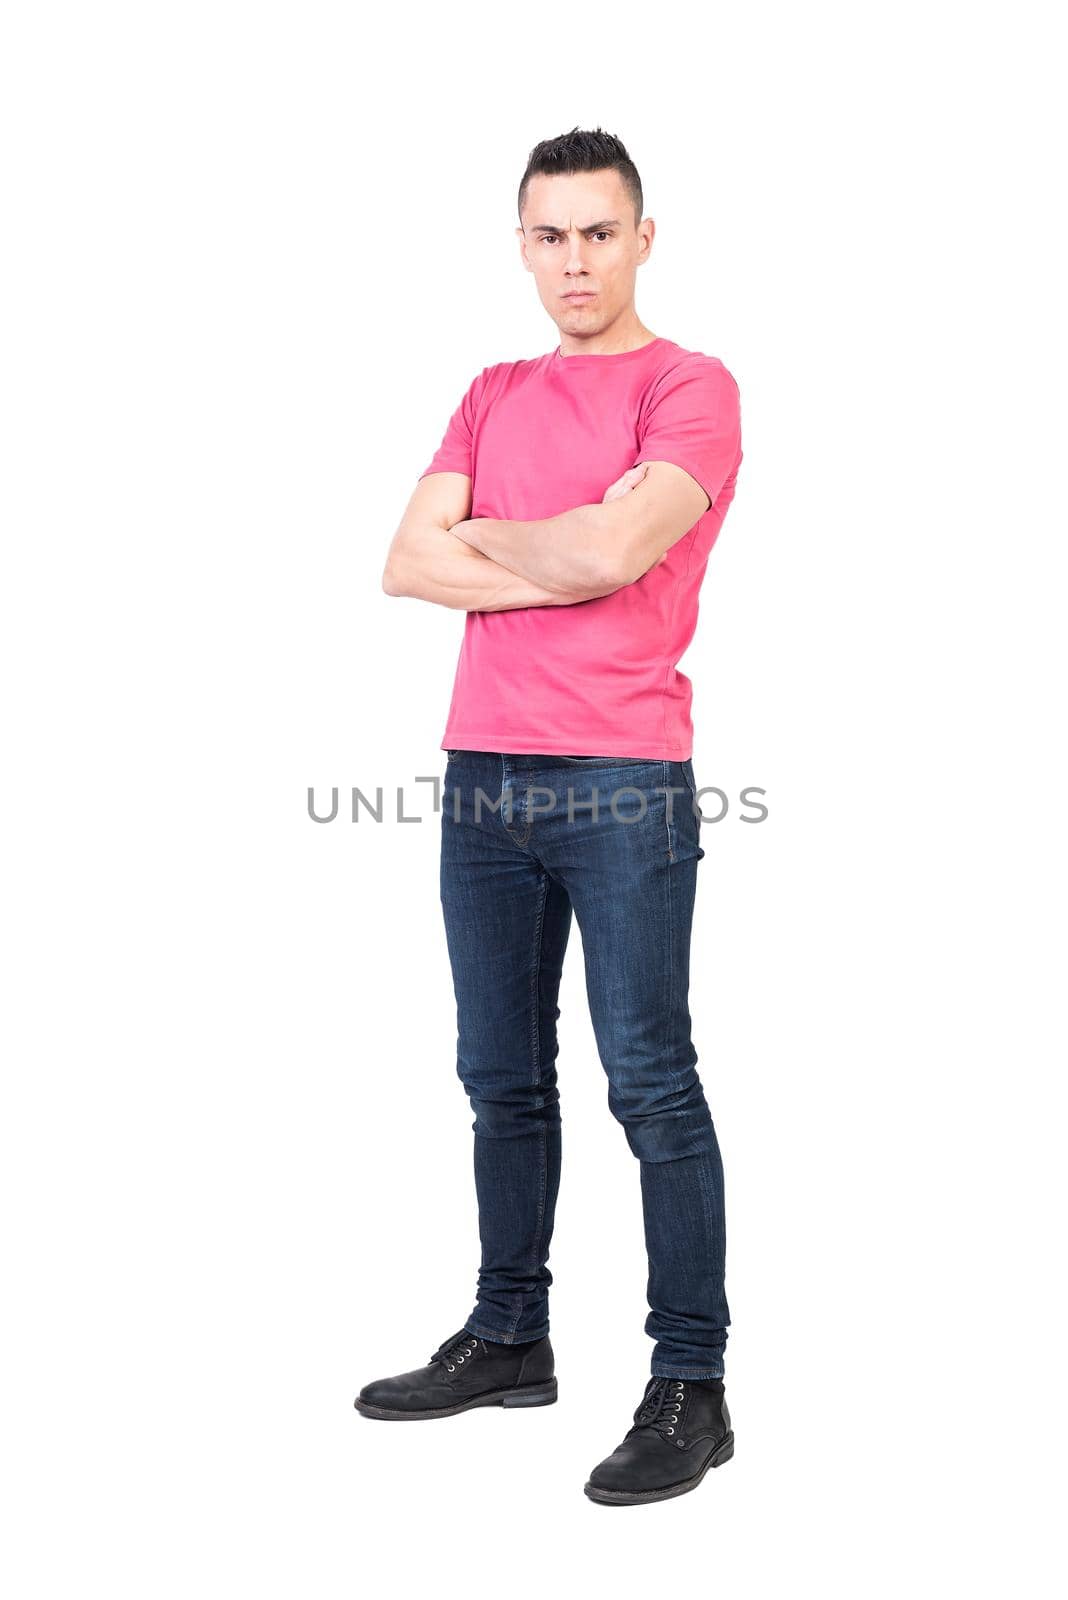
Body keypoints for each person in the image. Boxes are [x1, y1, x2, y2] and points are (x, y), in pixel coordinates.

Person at [355, 127, 743, 1506]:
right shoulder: (491, 387)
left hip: (623, 777)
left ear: (643, 238)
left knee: (648, 1081)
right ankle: (510, 1335)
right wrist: (568, 542)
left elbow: (615, 550)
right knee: (498, 1080)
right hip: (481, 777)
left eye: (597, 231)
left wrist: (538, 541)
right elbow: (406, 562)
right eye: (549, 234)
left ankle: (691, 1384)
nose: (574, 259)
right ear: (520, 246)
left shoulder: (690, 387)